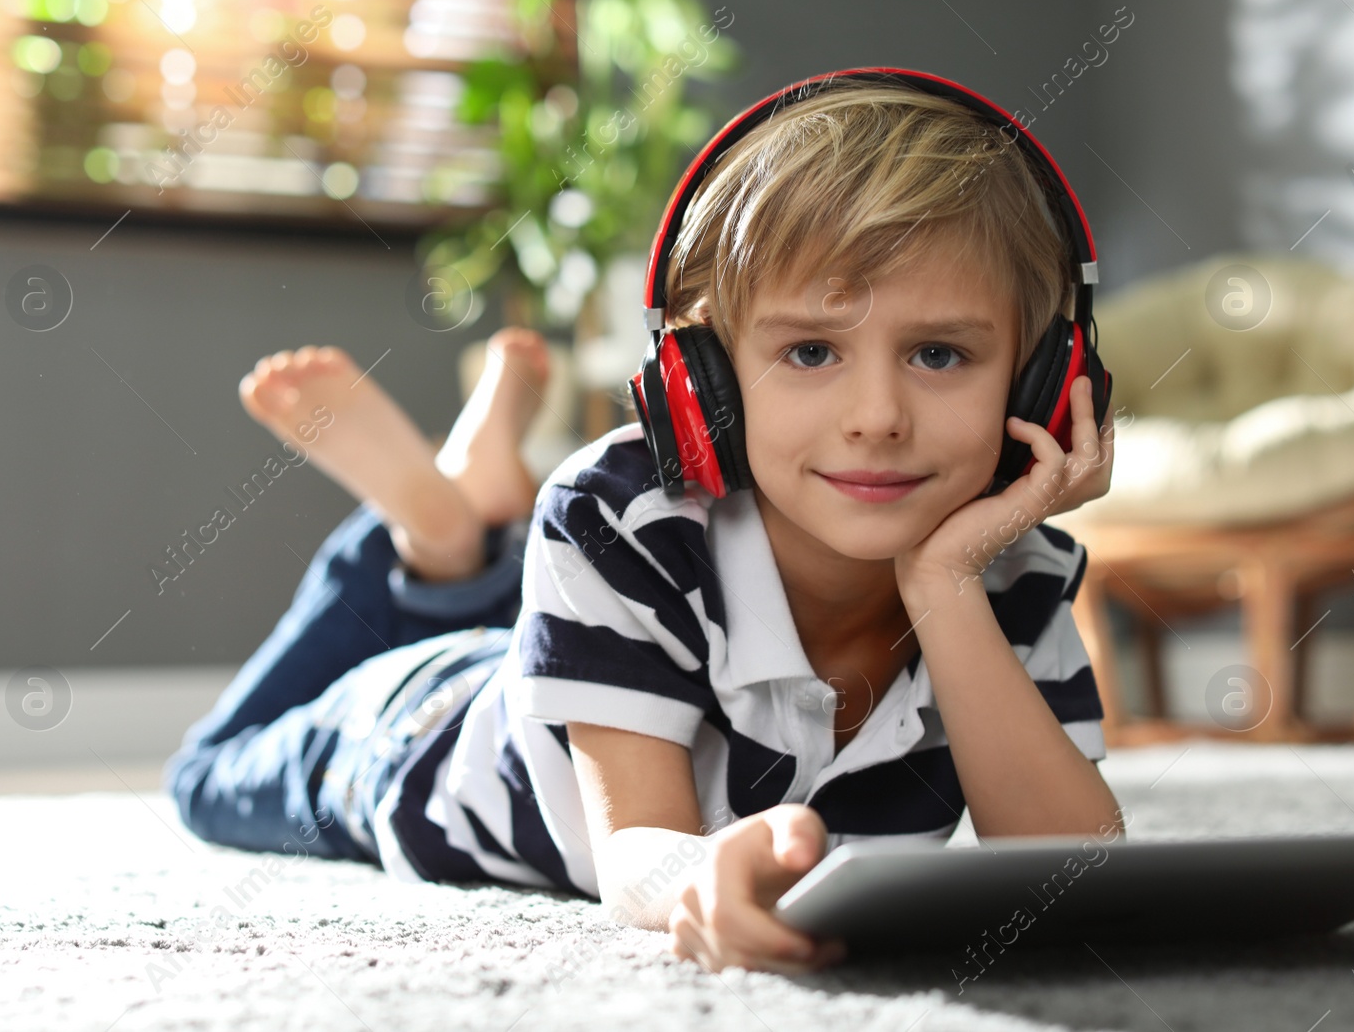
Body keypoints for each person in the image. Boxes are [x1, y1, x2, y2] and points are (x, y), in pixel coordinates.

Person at [165, 74, 1120, 977]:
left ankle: (464, 530)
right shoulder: (623, 512)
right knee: (206, 779)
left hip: (568, 646)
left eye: (941, 353)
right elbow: (633, 850)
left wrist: (945, 587)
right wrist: (695, 877)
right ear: (700, 380)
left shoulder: (1012, 568)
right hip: (417, 736)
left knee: (536, 605)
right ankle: (432, 541)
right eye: (812, 349)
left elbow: (1072, 872)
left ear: (1047, 379)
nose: (877, 415)